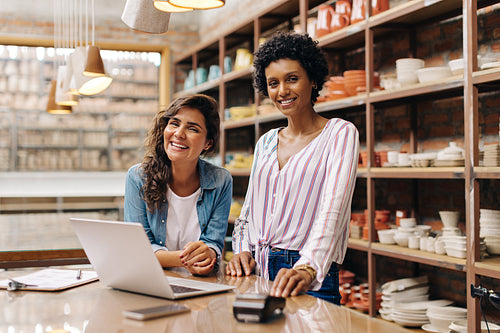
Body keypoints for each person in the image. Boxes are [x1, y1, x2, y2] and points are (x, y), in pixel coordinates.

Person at [226, 32, 359, 304]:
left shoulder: (340, 133)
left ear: (312, 80)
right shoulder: (265, 142)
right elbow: (249, 211)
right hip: (256, 270)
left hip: (306, 272)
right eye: (273, 83)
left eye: (292, 79)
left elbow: (333, 210)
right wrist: (240, 250)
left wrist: (308, 266)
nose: (282, 91)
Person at [125, 94, 232, 276]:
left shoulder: (221, 180)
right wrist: (186, 259)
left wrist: (209, 253)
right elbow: (139, 248)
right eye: (174, 123)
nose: (179, 134)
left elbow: (213, 243)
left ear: (208, 143)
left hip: (203, 283)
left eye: (193, 129)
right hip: (153, 280)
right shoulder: (138, 177)